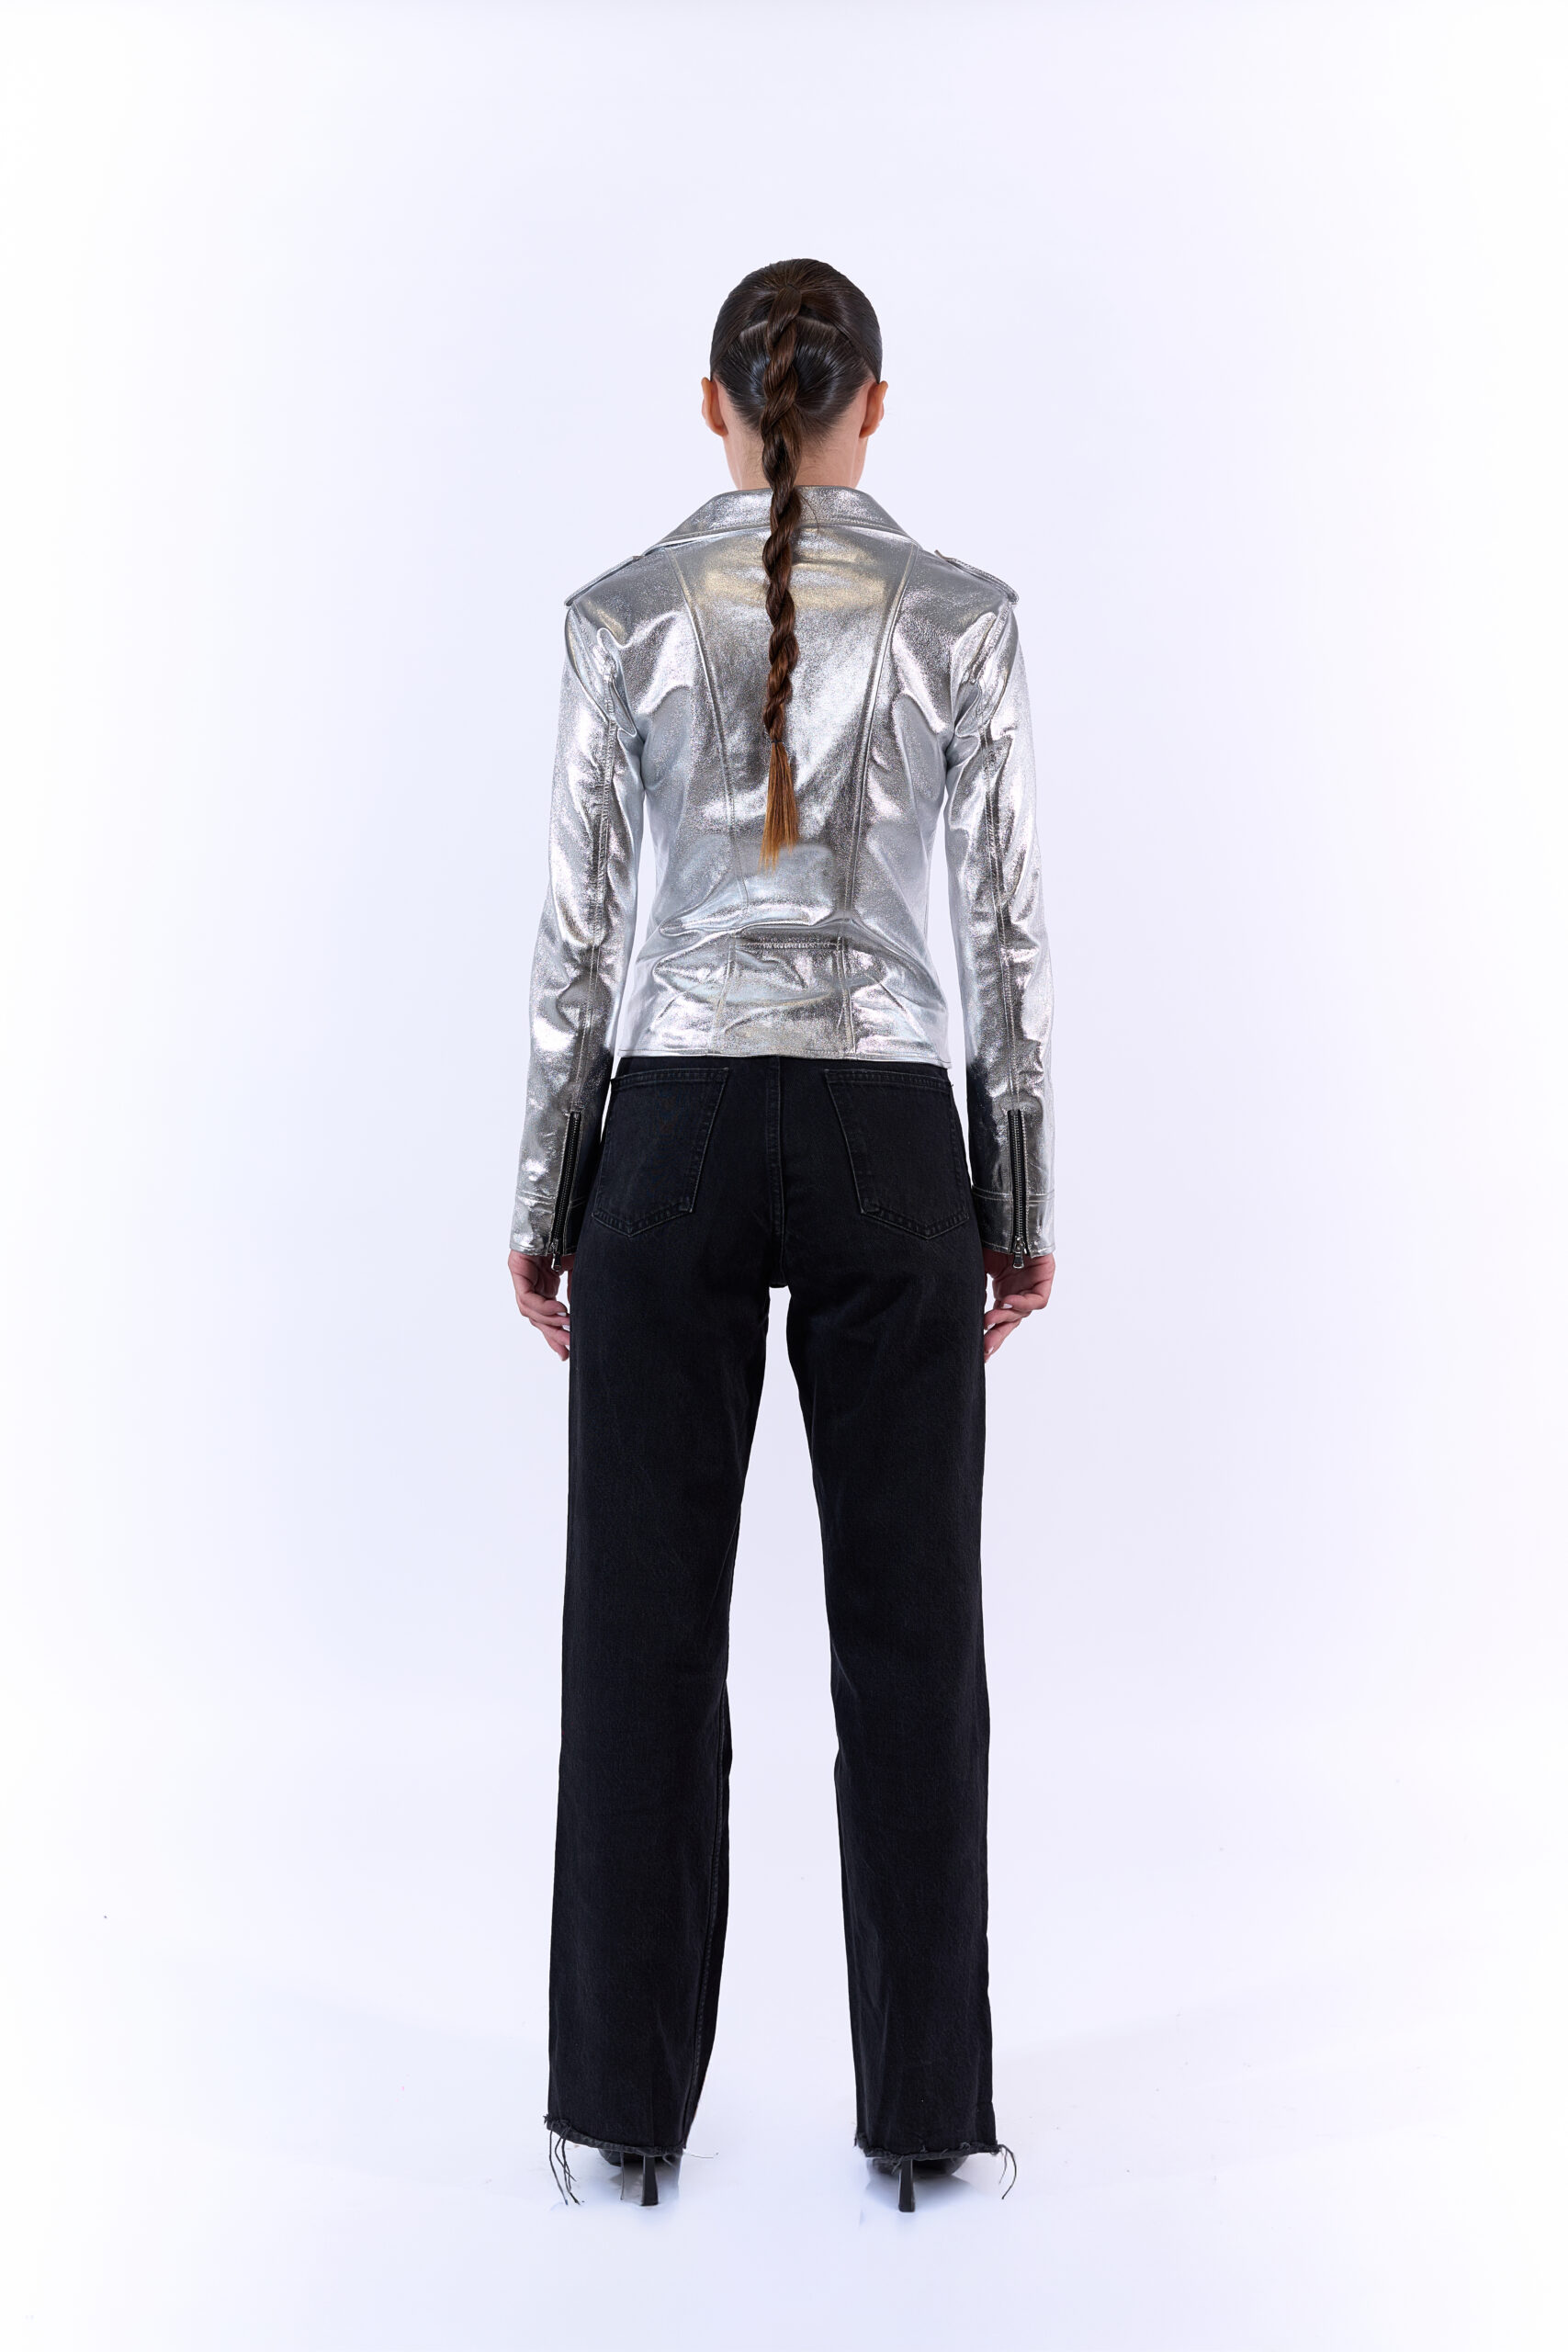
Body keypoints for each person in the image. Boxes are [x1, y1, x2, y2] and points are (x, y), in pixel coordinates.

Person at [507, 259, 1055, 2214]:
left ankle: (617, 2108)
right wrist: (1016, 1193)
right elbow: (1003, 936)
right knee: (913, 1637)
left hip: (664, 1132)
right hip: (888, 1137)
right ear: (870, 408)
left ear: (715, 410)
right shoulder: (963, 618)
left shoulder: (617, 613)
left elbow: (579, 939)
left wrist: (544, 1197)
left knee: (637, 1630)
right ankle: (925, 2112)